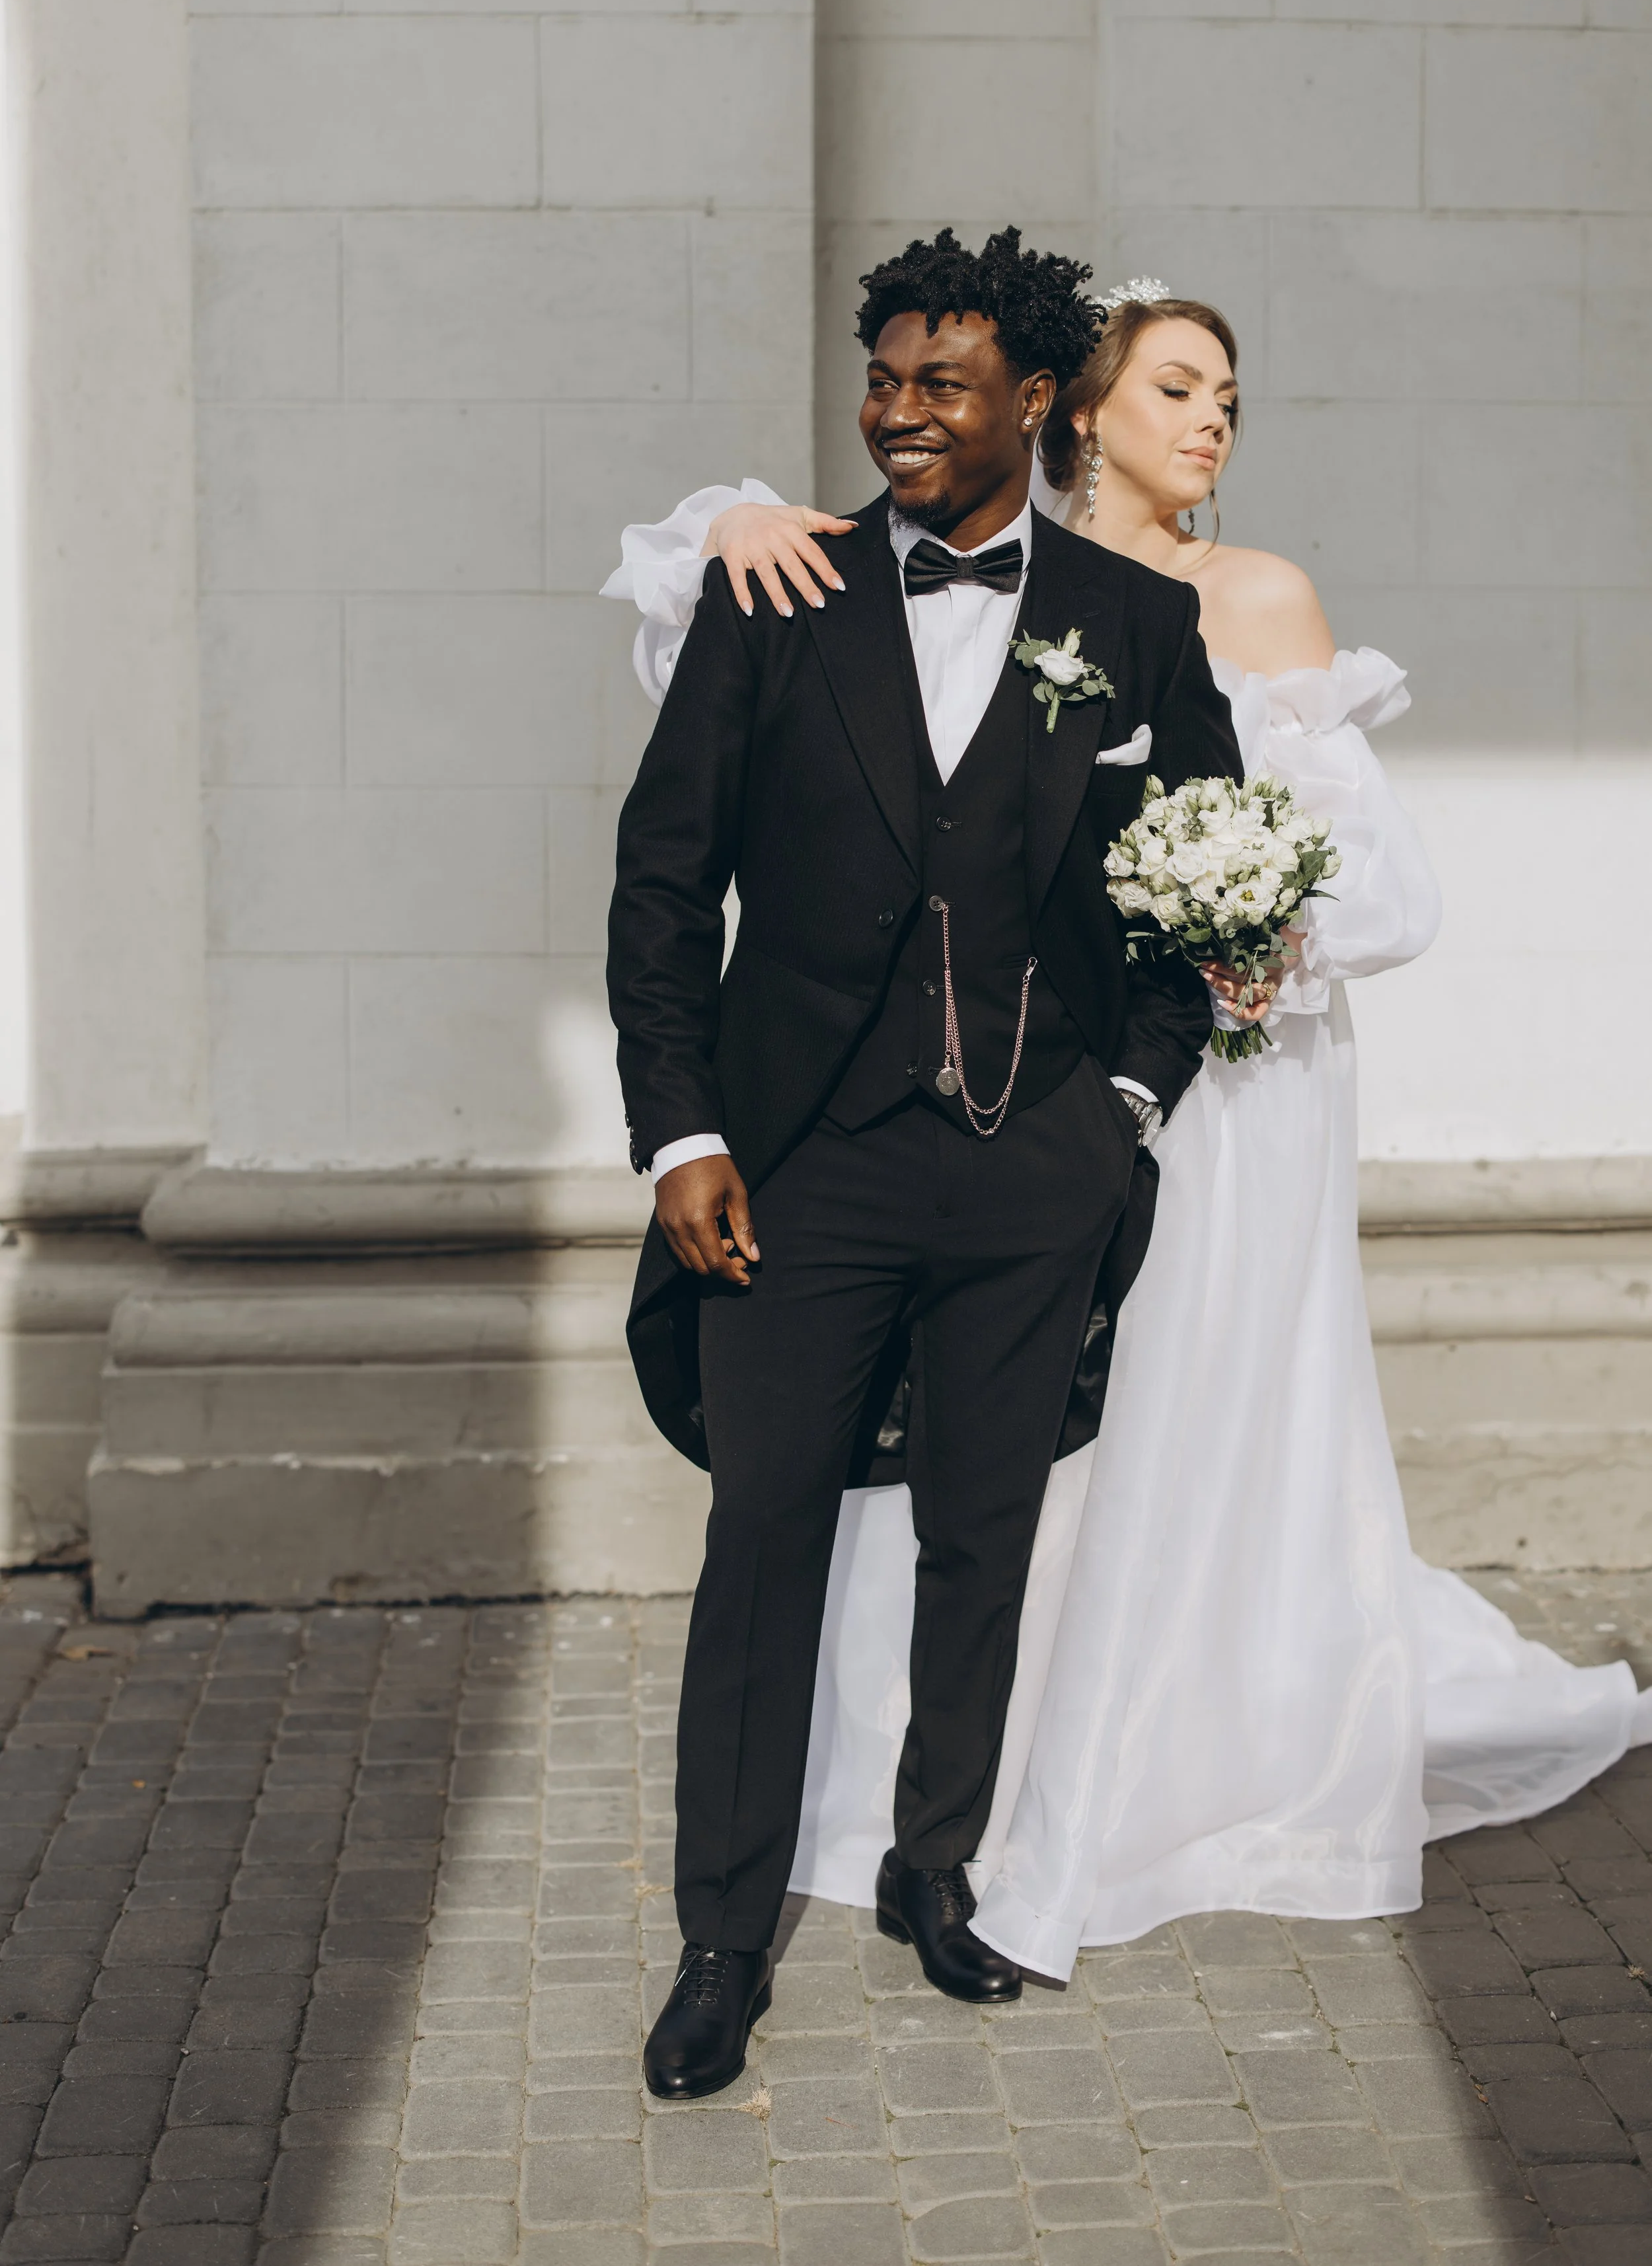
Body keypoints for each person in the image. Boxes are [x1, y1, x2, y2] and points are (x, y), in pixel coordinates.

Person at [606, 276, 1652, 1986]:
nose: (1213, 419)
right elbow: (697, 816)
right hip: (899, 1134)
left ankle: (1049, 1810)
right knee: (876, 1495)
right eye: (1178, 385)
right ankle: (821, 1874)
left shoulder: (1200, 608)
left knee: (1084, 1481)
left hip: (1134, 1125)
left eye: (1229, 393)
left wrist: (1182, 1027)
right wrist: (681, 1135)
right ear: (1081, 409)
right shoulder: (874, 579)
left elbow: (1290, 873)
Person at [606, 229, 1242, 2099]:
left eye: (936, 385)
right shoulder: (774, 598)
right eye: (879, 381)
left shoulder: (1132, 627)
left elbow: (1206, 886)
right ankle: (721, 1941)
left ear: (1030, 401)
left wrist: (1124, 1111)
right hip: (796, 1168)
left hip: (1031, 1164)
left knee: (985, 1536)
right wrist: (682, 1131)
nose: (895, 412)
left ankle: (931, 1867)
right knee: (761, 1540)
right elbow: (663, 885)